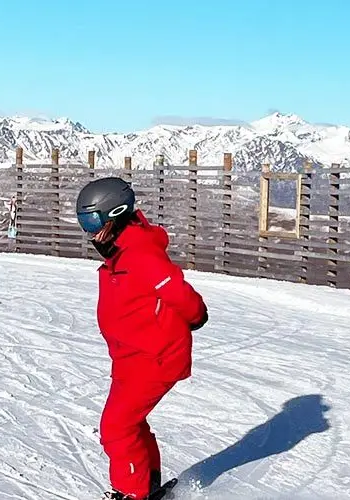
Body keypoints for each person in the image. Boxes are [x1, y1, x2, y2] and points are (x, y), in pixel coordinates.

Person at [76, 177, 207, 500]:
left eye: (92, 220)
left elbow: (178, 292)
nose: (88, 230)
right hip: (130, 356)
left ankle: (133, 493)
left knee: (116, 429)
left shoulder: (140, 252)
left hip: (155, 357)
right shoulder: (121, 250)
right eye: (83, 221)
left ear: (116, 214)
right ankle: (147, 484)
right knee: (130, 424)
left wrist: (196, 316)